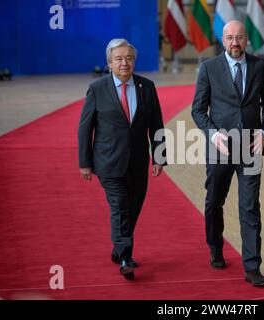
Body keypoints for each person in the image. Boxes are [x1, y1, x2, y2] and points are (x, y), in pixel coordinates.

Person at [191, 21, 264, 287]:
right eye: (230, 38)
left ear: (246, 40)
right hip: (220, 148)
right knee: (214, 201)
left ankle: (252, 267)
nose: (235, 43)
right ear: (222, 39)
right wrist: (213, 134)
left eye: (239, 38)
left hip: (251, 149)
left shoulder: (260, 66)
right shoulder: (208, 68)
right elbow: (198, 110)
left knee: (250, 206)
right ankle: (215, 246)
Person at [78, 38, 166, 280]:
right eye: (118, 59)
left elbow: (156, 124)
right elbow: (85, 128)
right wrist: (84, 162)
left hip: (138, 162)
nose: (124, 63)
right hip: (108, 162)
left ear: (134, 61)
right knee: (120, 207)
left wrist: (159, 156)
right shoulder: (97, 89)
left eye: (128, 58)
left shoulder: (147, 87)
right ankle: (126, 256)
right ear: (109, 63)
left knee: (134, 207)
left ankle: (119, 249)